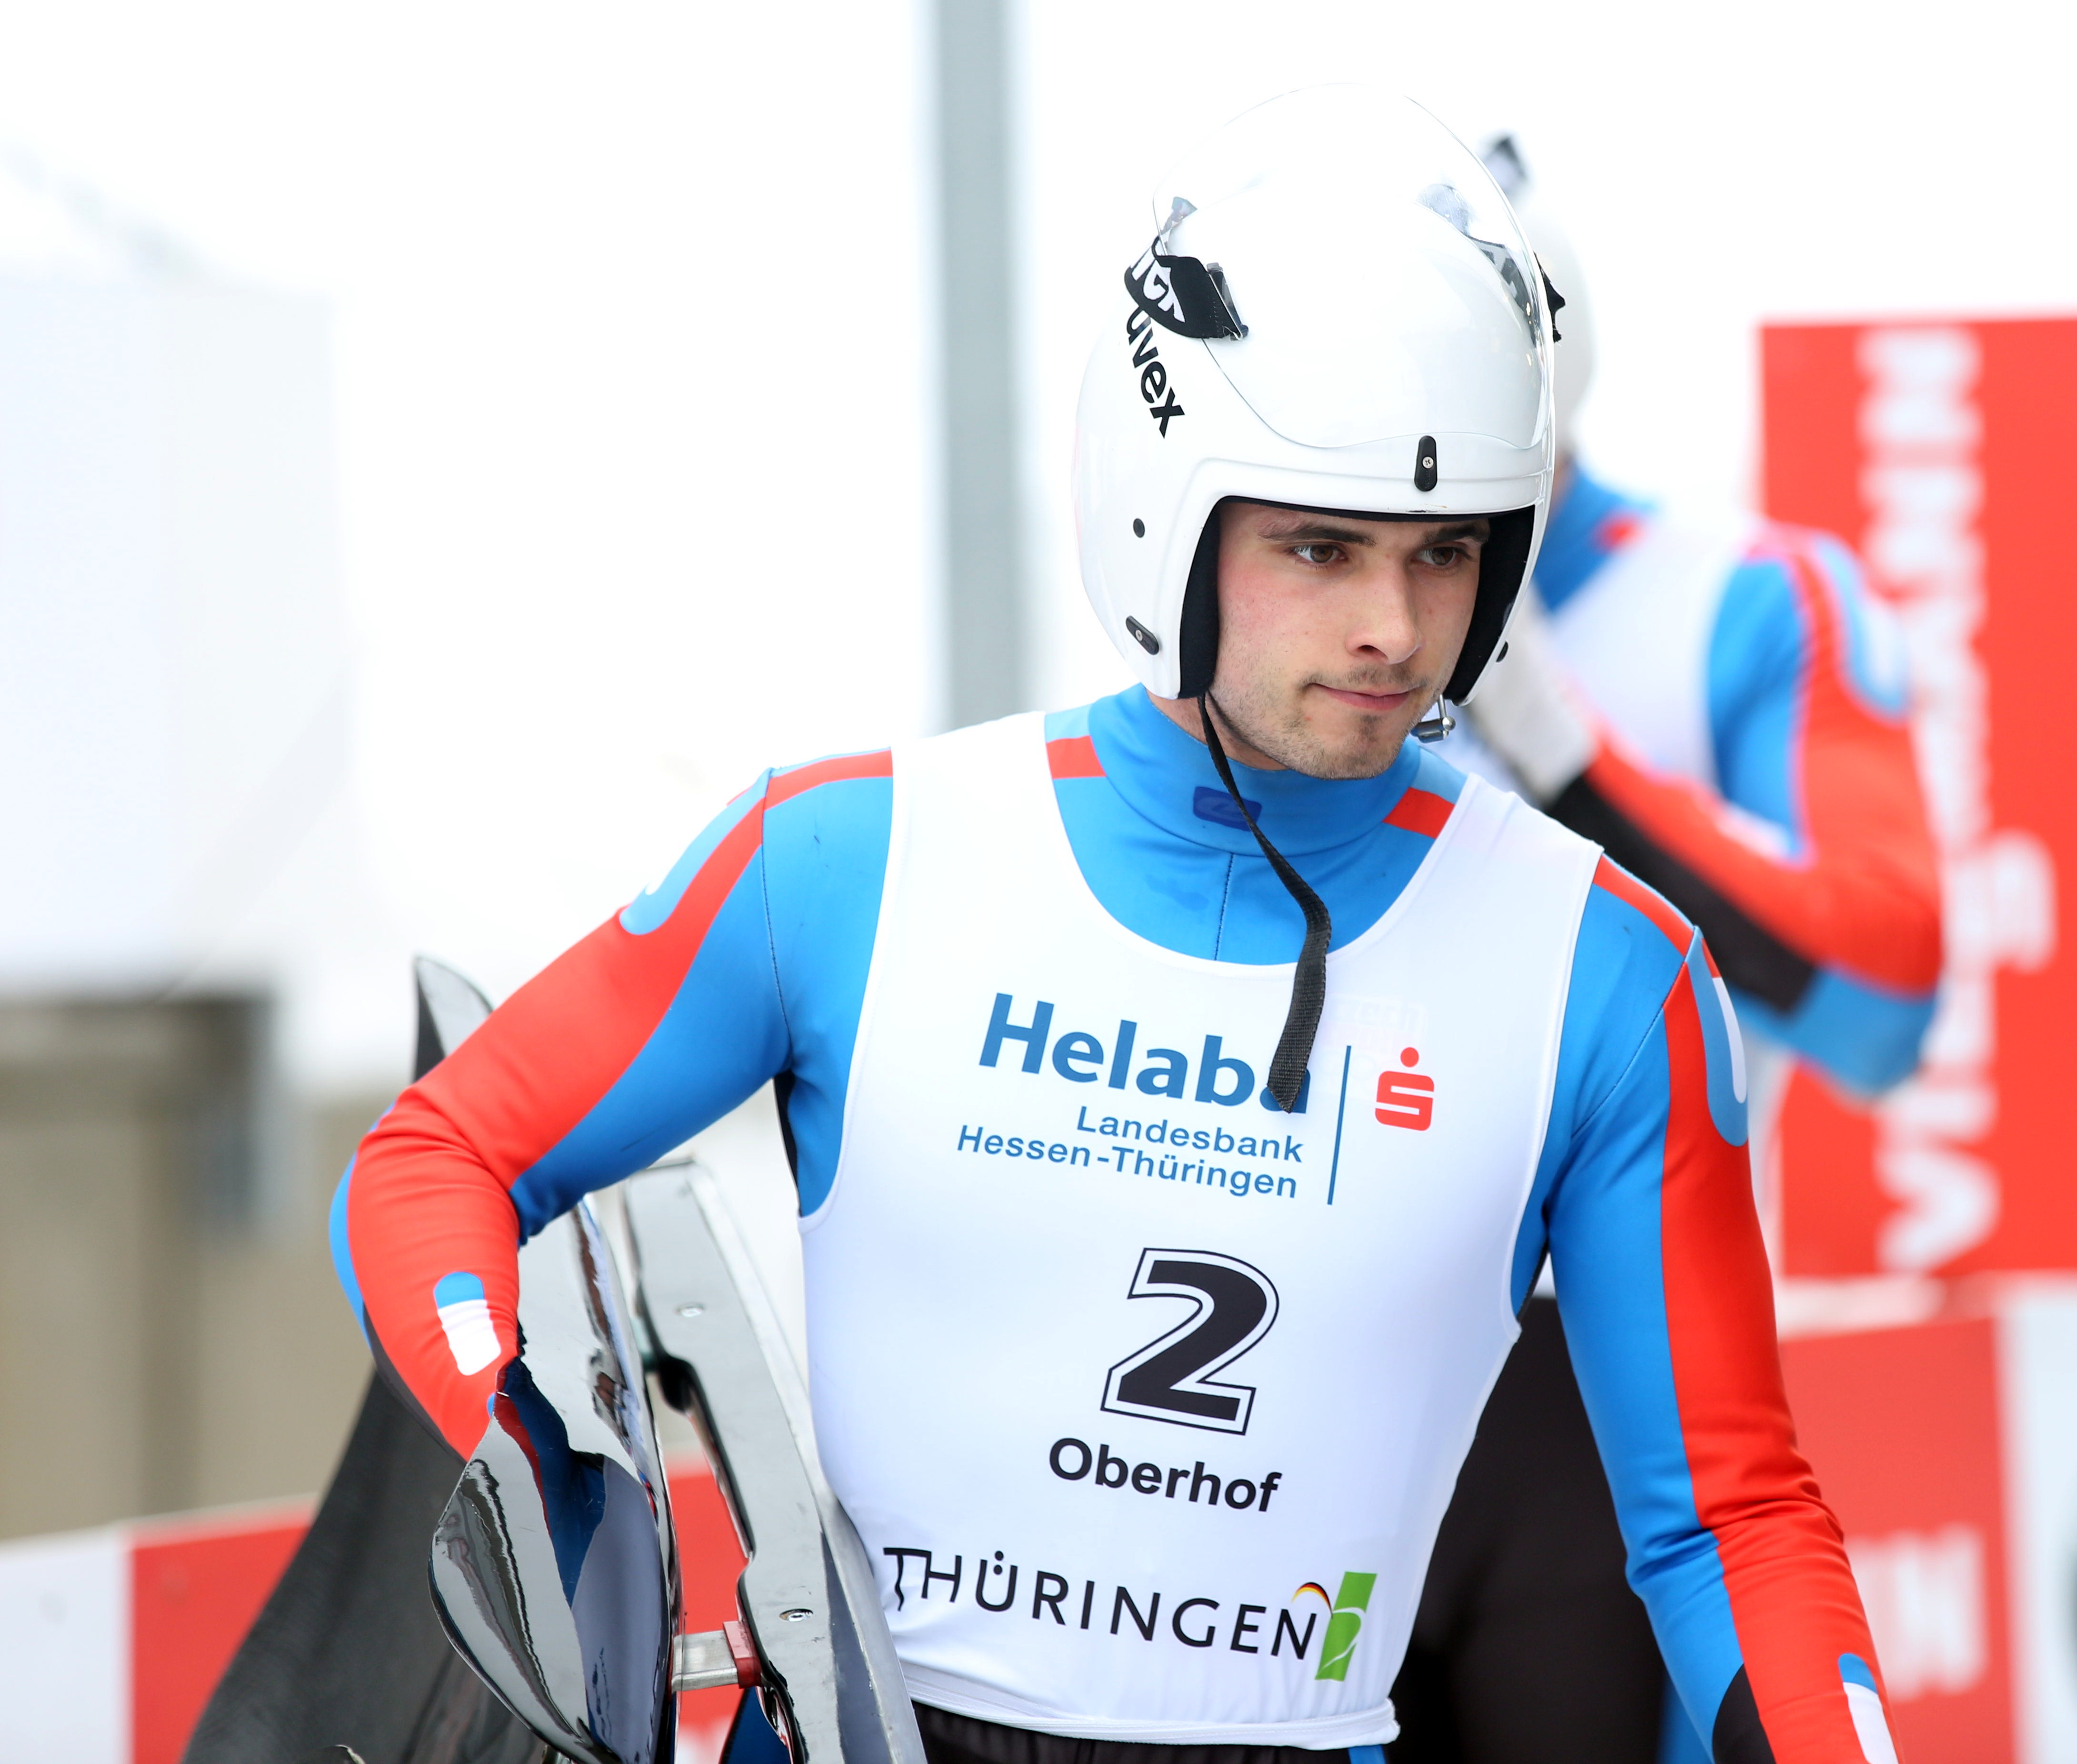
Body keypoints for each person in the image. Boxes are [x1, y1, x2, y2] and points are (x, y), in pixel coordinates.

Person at [331, 89, 1900, 1764]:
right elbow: (440, 1160)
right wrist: (511, 1463)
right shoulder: (851, 857)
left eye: (1447, 554)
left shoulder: (1604, 972)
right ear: (1168, 516)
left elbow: (1730, 1521)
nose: (1393, 628)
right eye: (1321, 546)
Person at [1388, 140, 1942, 1764]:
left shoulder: (1755, 599)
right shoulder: (1288, 590)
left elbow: (1890, 1002)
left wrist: (1568, 755)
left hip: (1606, 1369)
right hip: (1335, 1348)